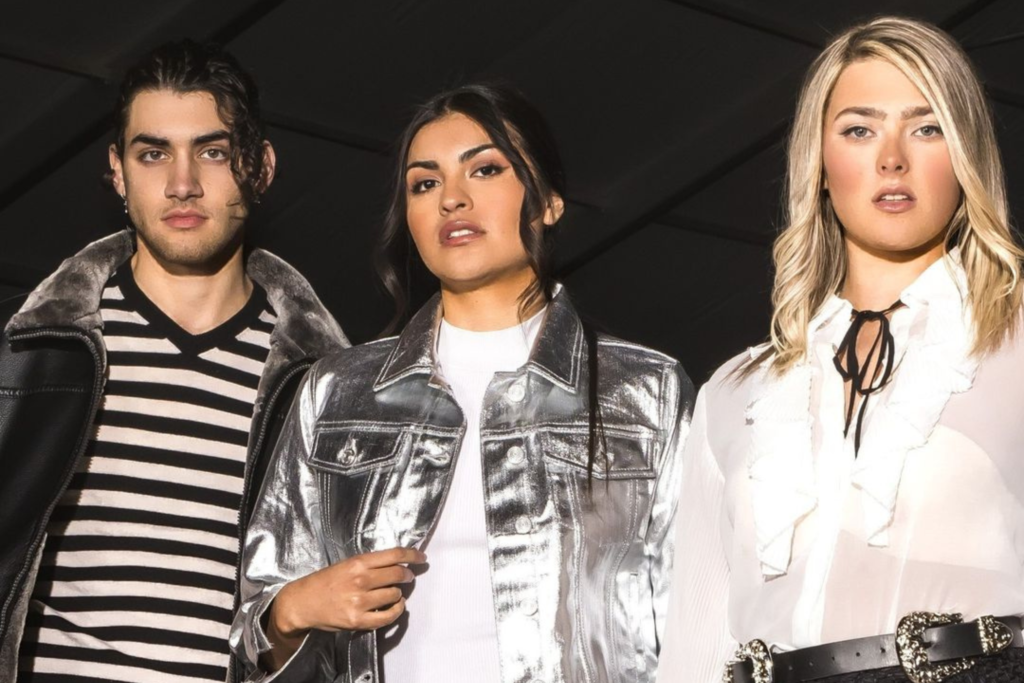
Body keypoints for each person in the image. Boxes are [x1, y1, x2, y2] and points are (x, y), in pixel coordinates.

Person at [232, 83, 694, 683]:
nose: (452, 198)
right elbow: (255, 627)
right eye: (425, 183)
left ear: (549, 202)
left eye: (485, 170)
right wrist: (292, 610)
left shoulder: (647, 390)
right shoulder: (336, 391)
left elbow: (697, 615)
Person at [659, 16, 1024, 683]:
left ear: (966, 154)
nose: (891, 158)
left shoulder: (1016, 342)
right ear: (821, 165)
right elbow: (693, 643)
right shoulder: (733, 392)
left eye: (926, 126)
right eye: (859, 129)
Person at [1, 41, 347, 682]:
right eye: (153, 153)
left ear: (261, 168)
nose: (182, 183)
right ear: (117, 172)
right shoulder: (28, 356)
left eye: (212, 151)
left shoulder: (327, 390)